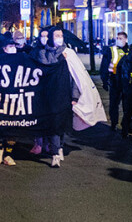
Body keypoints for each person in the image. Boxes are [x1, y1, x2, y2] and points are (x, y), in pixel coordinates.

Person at [38, 29, 81, 168]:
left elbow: (76, 76)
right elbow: (46, 71)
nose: (59, 38)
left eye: (61, 36)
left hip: (66, 93)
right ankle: (55, 153)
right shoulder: (44, 53)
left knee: (62, 123)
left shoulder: (69, 54)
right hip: (51, 95)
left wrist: (75, 95)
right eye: (56, 36)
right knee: (55, 124)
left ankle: (60, 146)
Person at [100, 31, 130, 132]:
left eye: (121, 38)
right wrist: (104, 80)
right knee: (114, 104)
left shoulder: (130, 50)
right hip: (114, 80)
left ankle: (126, 125)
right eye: (117, 38)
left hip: (127, 82)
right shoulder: (111, 50)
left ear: (126, 39)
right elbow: (104, 65)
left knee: (127, 105)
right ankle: (114, 123)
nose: (118, 40)